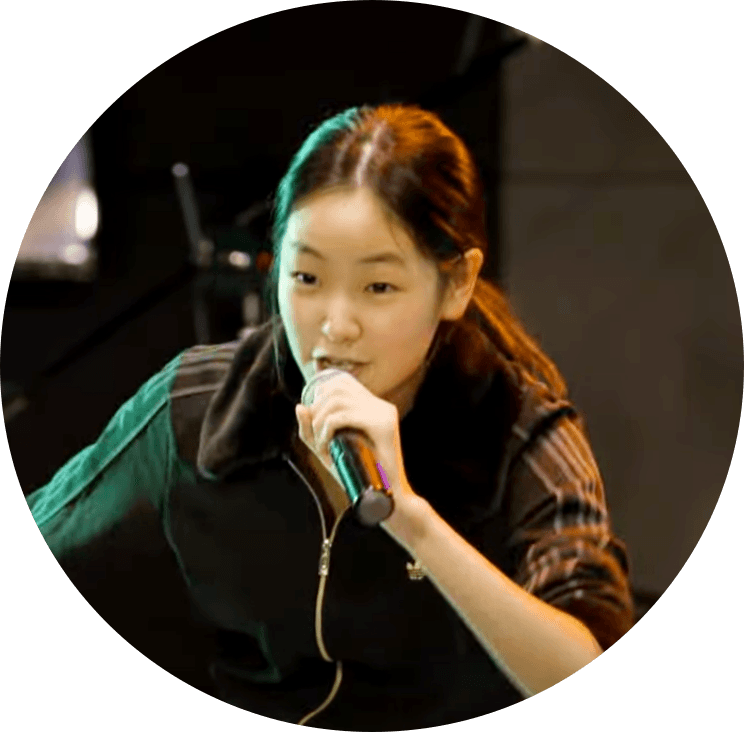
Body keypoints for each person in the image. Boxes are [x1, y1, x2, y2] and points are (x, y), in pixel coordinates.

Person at [26, 104, 634, 731]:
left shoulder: (523, 436)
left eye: (378, 287)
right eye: (307, 277)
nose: (335, 326)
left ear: (456, 284)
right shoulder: (200, 410)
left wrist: (412, 519)